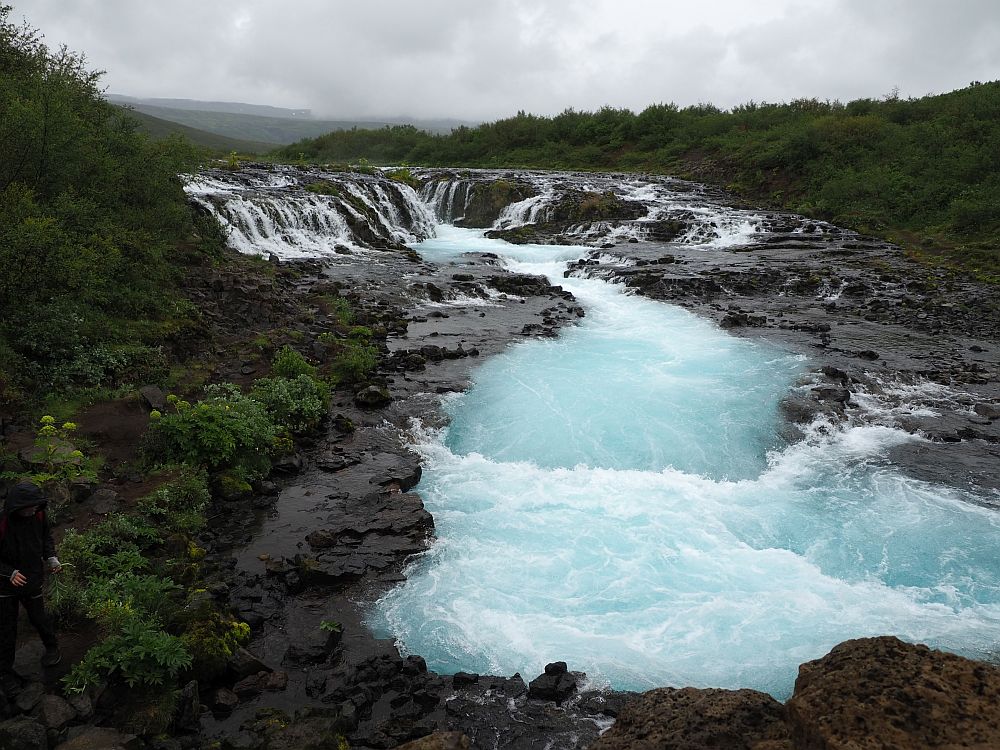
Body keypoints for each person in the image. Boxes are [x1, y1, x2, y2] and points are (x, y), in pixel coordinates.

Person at [0, 481, 61, 693]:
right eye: (30, 506)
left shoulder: (39, 515)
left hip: (32, 577)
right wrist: (10, 573)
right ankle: (5, 674)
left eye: (36, 505)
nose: (34, 509)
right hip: (5, 586)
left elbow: (46, 537)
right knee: (6, 627)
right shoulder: (3, 522)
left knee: (39, 617)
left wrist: (51, 556)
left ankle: (52, 648)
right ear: (18, 506)